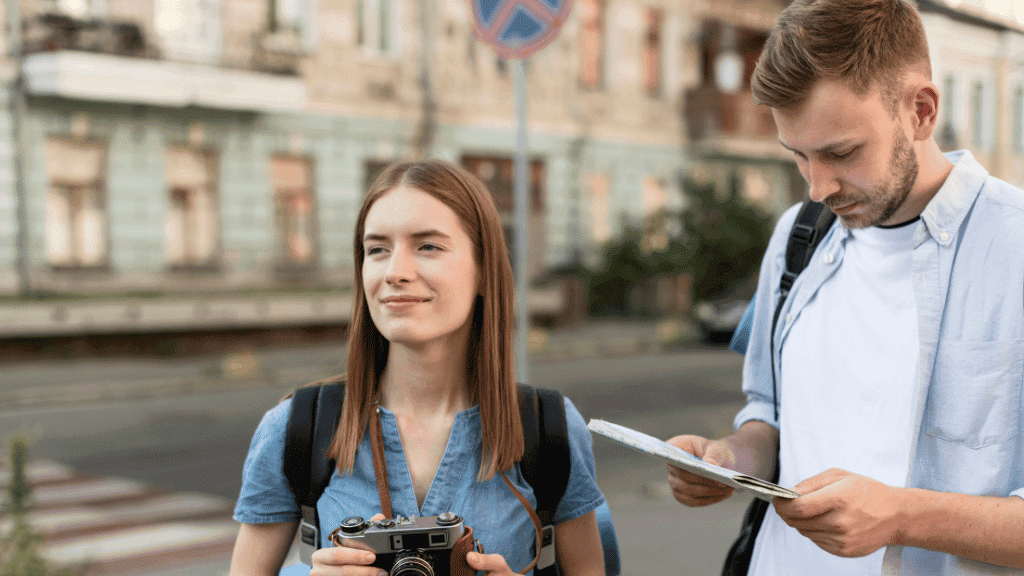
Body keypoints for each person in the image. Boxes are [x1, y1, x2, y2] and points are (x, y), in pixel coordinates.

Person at [665, 0, 1024, 574]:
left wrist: (903, 517)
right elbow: (769, 413)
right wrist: (731, 458)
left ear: (921, 111)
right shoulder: (796, 236)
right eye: (799, 156)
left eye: (841, 153)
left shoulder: (1014, 249)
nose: (817, 187)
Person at [229, 159, 606, 576]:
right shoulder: (294, 429)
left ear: (484, 270)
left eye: (428, 246)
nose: (395, 272)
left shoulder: (550, 429)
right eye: (377, 250)